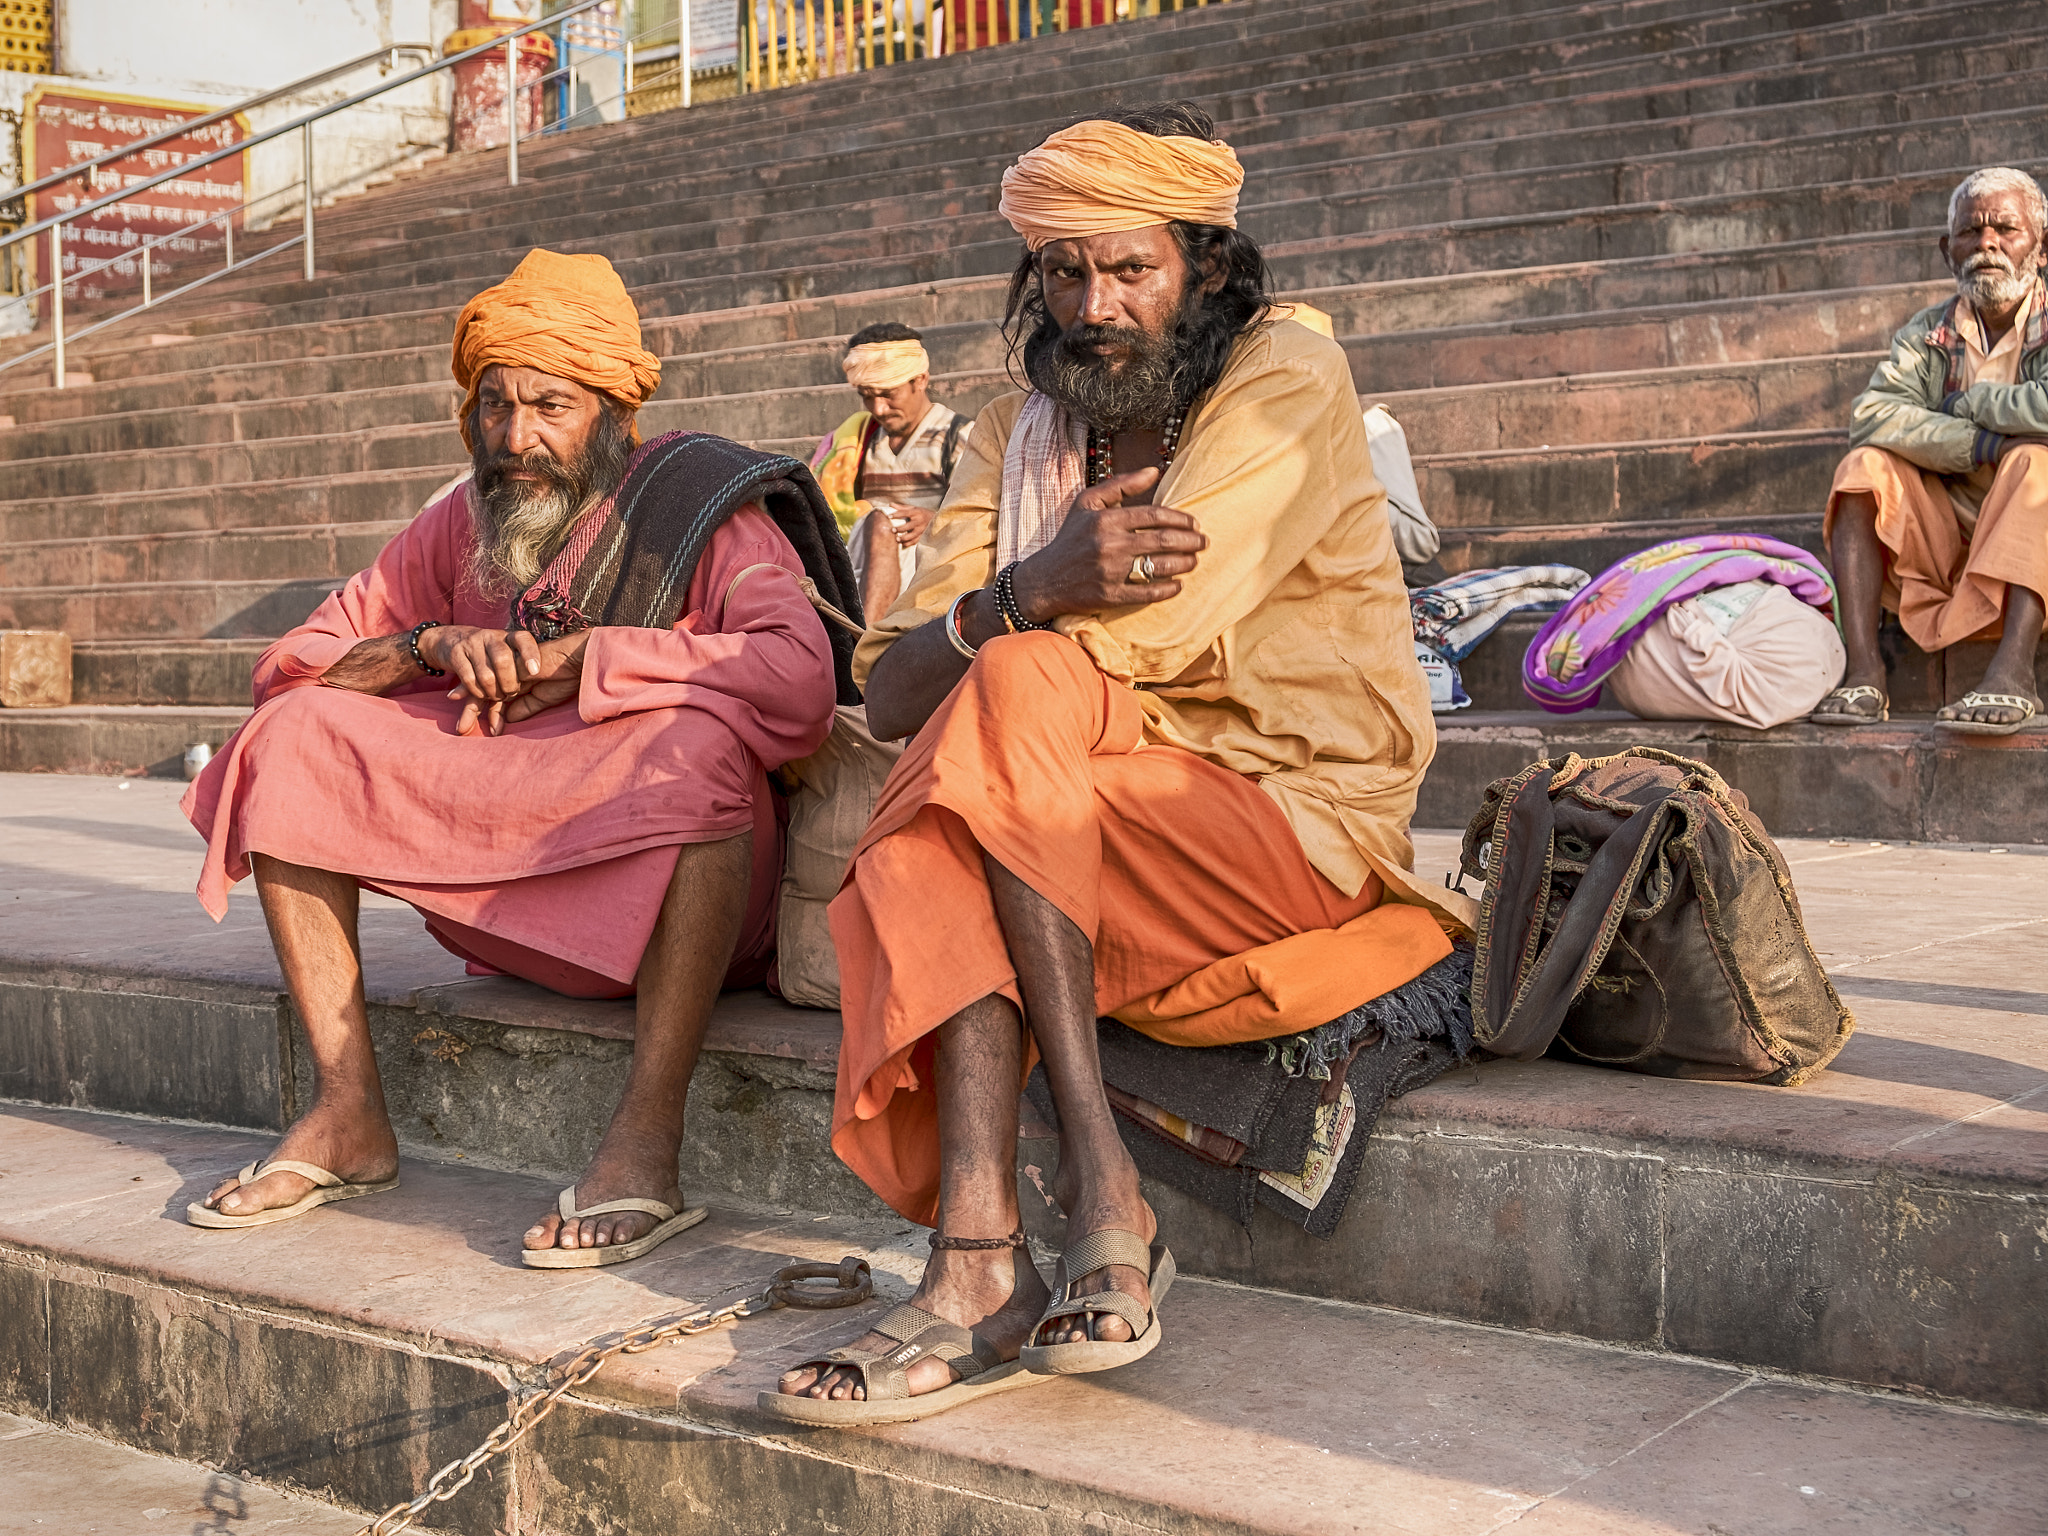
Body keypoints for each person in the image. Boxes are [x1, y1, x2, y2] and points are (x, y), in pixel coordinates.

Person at [767, 103, 1471, 1424]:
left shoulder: (1285, 372)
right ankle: (986, 1253)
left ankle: (1090, 1194)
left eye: (1130, 268)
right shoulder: (1006, 433)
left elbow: (1160, 622)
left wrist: (998, 626)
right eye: (1065, 272)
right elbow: (889, 679)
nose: (1096, 304)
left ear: (1201, 264)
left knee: (1010, 696)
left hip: (1287, 822)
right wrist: (1023, 591)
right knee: (998, 716)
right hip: (1064, 814)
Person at [181, 249, 850, 1265]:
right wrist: (426, 646)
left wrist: (596, 656)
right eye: (495, 406)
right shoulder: (460, 519)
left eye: (549, 407)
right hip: (507, 908)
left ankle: (644, 1143)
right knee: (294, 731)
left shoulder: (700, 506)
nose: (516, 439)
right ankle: (347, 1113)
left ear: (611, 414)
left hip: (691, 904)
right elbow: (292, 664)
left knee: (697, 741)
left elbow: (798, 679)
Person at [1816, 166, 2048, 734]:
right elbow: (1871, 416)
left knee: (2035, 461)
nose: (1987, 243)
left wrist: (1972, 403)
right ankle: (1865, 669)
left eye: (2005, 229)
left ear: (2041, 247)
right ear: (1949, 251)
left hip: (2035, 532)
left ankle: (2014, 670)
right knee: (1862, 469)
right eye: (1971, 232)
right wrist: (1982, 443)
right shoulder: (1927, 333)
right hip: (1947, 532)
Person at [809, 323, 972, 622]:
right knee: (877, 521)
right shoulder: (857, 440)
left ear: (920, 380)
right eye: (867, 396)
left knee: (884, 522)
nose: (879, 409)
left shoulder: (957, 436)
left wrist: (936, 521)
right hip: (860, 564)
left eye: (888, 394)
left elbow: (981, 517)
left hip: (930, 569)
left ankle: (866, 638)